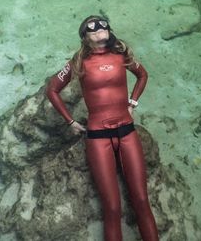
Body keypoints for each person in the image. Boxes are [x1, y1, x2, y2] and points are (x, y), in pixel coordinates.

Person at [46, 16, 158, 241]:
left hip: (127, 130)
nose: (98, 28)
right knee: (112, 208)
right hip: (97, 137)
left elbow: (143, 75)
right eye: (91, 26)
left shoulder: (122, 53)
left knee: (142, 201)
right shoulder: (77, 61)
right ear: (84, 37)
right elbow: (52, 90)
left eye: (102, 23)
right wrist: (70, 121)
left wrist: (133, 102)